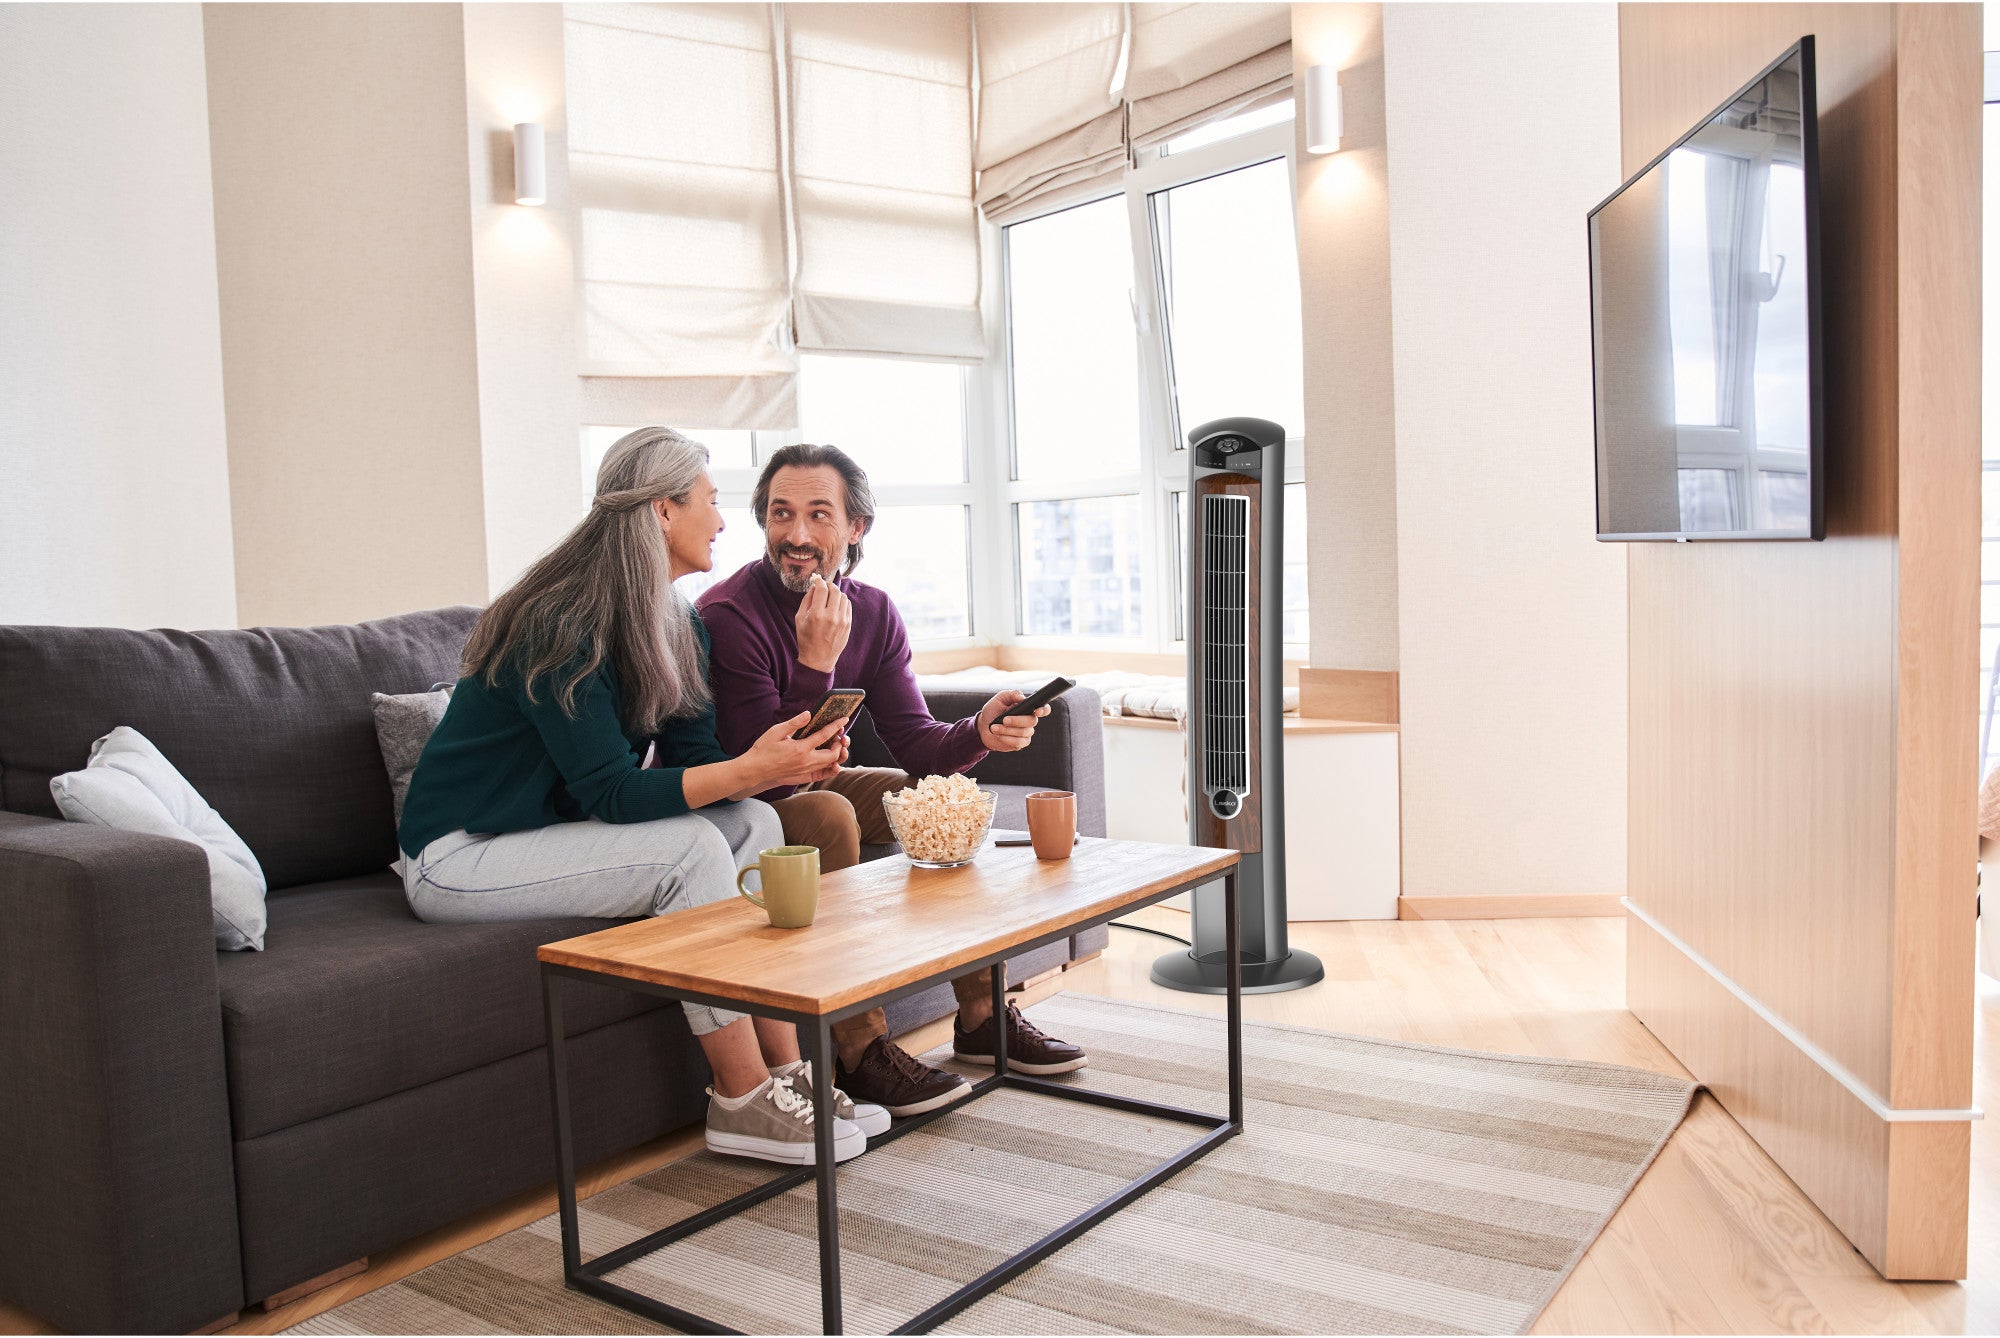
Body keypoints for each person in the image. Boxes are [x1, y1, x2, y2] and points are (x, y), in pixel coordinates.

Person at [398, 427, 887, 1166]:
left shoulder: (675, 619)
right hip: (458, 854)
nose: (725, 521)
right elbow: (614, 793)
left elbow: (699, 763)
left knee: (754, 822)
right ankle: (740, 1094)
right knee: (691, 850)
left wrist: (777, 764)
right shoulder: (559, 623)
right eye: (711, 502)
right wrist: (751, 768)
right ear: (663, 510)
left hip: (545, 834)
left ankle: (794, 1074)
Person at [697, 443, 1088, 1119]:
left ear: (855, 528)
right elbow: (763, 764)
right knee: (828, 814)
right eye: (780, 514)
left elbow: (915, 743)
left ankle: (981, 1014)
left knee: (944, 801)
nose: (796, 535)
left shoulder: (872, 612)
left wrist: (980, 733)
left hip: (808, 780)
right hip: (740, 802)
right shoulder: (730, 614)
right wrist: (815, 661)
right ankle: (859, 1051)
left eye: (818, 515)